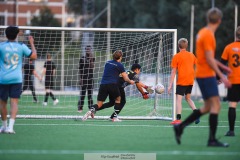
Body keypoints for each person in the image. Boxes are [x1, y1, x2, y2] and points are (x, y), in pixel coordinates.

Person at [173, 8, 232, 147]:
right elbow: (210, 60)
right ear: (219, 20)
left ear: (208, 19)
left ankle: (180, 127)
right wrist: (222, 76)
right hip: (206, 75)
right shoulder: (209, 35)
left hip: (202, 74)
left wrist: (223, 68)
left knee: (207, 107)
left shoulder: (202, 33)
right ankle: (211, 140)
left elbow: (207, 57)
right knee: (216, 105)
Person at [0, 26, 37, 134]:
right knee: (14, 102)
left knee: (2, 103)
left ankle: (4, 126)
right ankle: (11, 128)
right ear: (17, 35)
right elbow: (34, 56)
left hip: (3, 78)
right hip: (16, 78)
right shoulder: (21, 46)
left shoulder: (1, 46)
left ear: (6, 35)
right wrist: (32, 43)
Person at [82, 50, 135, 121]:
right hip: (112, 85)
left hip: (103, 85)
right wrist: (130, 81)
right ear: (120, 57)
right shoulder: (120, 65)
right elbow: (125, 78)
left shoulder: (107, 62)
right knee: (118, 99)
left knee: (100, 104)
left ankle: (91, 110)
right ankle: (115, 117)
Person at [168, 38, 200, 125]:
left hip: (182, 80)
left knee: (178, 99)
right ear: (187, 46)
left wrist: (170, 84)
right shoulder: (191, 55)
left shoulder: (176, 56)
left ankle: (178, 119)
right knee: (188, 98)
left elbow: (173, 71)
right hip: (190, 80)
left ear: (178, 46)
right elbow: (198, 65)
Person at [221, 26, 240, 137]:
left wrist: (218, 78)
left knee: (232, 105)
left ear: (235, 35)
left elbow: (222, 64)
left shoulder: (229, 47)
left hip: (234, 81)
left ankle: (231, 131)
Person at [77, 45, 95, 112]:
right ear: (85, 50)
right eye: (87, 49)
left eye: (89, 49)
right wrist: (80, 79)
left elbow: (92, 66)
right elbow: (80, 69)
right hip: (84, 79)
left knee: (90, 94)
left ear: (91, 50)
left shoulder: (92, 58)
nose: (88, 51)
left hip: (90, 79)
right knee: (82, 94)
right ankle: (80, 108)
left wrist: (90, 58)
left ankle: (90, 108)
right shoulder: (82, 58)